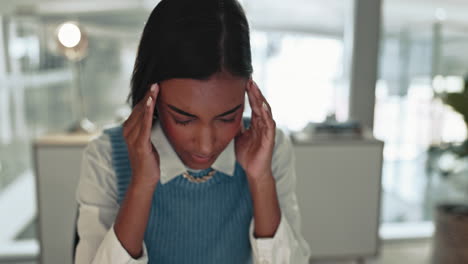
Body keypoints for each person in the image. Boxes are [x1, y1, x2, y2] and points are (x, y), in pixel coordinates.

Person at [74, 0, 311, 263]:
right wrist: (141, 184)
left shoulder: (269, 148)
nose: (206, 146)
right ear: (151, 95)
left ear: (248, 93)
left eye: (227, 117)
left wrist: (260, 179)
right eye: (183, 119)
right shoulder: (106, 157)